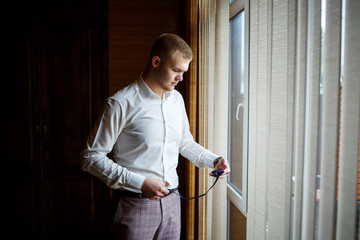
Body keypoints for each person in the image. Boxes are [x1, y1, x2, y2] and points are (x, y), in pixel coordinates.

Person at [80, 33, 230, 240]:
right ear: (156, 61)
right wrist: (139, 182)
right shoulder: (121, 103)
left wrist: (214, 160)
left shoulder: (176, 100)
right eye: (176, 70)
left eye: (183, 72)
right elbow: (90, 158)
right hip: (134, 205)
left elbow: (185, 143)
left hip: (173, 204)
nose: (181, 78)